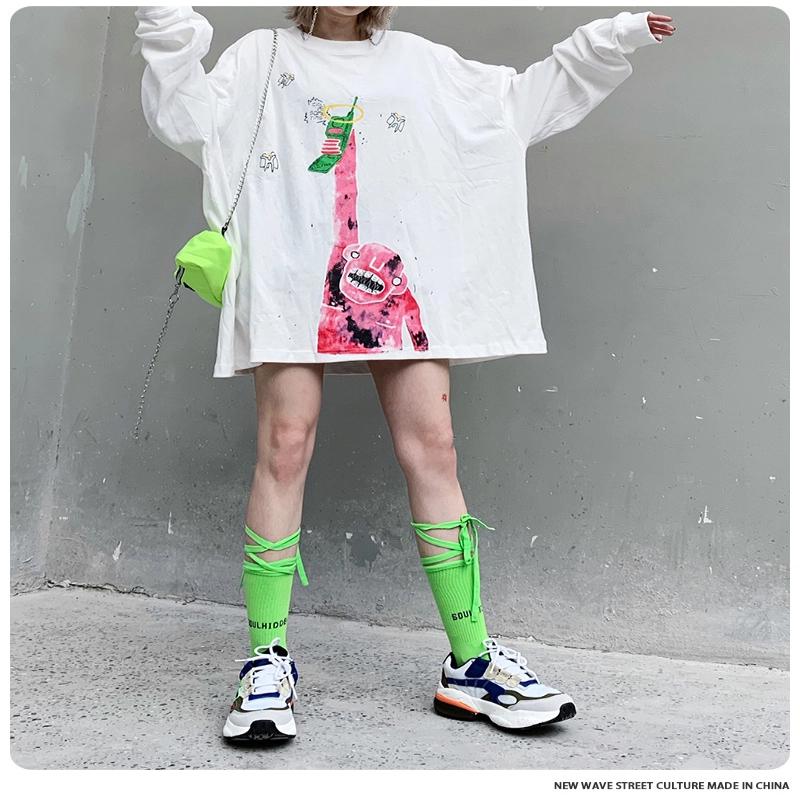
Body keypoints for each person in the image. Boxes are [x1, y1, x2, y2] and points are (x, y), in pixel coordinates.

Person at [134, 5, 675, 744]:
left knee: (434, 449)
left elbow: (519, 105)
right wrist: (162, 17)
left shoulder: (421, 63)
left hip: (392, 278)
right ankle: (265, 659)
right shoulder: (260, 56)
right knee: (284, 447)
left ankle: (471, 660)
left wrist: (610, 38)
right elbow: (185, 115)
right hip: (293, 272)